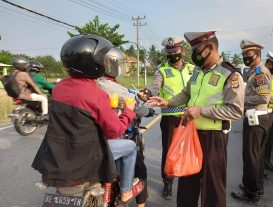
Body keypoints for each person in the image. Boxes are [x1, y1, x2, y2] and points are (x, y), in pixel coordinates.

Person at [31, 34, 143, 204]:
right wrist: (128, 112)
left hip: (55, 156)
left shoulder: (59, 87)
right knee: (130, 146)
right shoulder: (95, 94)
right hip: (85, 158)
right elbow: (115, 130)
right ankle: (126, 190)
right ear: (94, 64)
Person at [148, 31, 244, 207]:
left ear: (210, 48)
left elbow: (236, 111)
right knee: (187, 183)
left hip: (214, 139)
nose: (194, 55)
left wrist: (202, 110)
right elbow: (186, 93)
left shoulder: (230, 74)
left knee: (212, 188)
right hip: (191, 135)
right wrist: (168, 101)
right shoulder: (198, 71)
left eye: (197, 50)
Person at [138, 37, 195, 200]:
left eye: (175, 52)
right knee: (169, 152)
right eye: (169, 53)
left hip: (190, 117)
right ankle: (168, 183)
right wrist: (147, 92)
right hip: (170, 117)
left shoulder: (193, 69)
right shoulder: (161, 70)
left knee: (189, 150)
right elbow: (155, 86)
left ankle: (189, 179)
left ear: (182, 51)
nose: (172, 55)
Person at [97, 65, 154, 207]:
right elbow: (135, 104)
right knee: (139, 164)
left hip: (83, 143)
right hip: (112, 136)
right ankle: (127, 192)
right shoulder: (108, 85)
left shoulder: (89, 83)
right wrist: (149, 111)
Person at [231, 39, 272, 204]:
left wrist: (242, 99)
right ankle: (256, 186)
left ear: (257, 54)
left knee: (251, 156)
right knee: (257, 155)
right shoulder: (255, 70)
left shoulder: (260, 72)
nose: (245, 57)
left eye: (248, 54)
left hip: (257, 118)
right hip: (257, 117)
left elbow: (263, 97)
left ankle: (251, 193)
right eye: (244, 55)